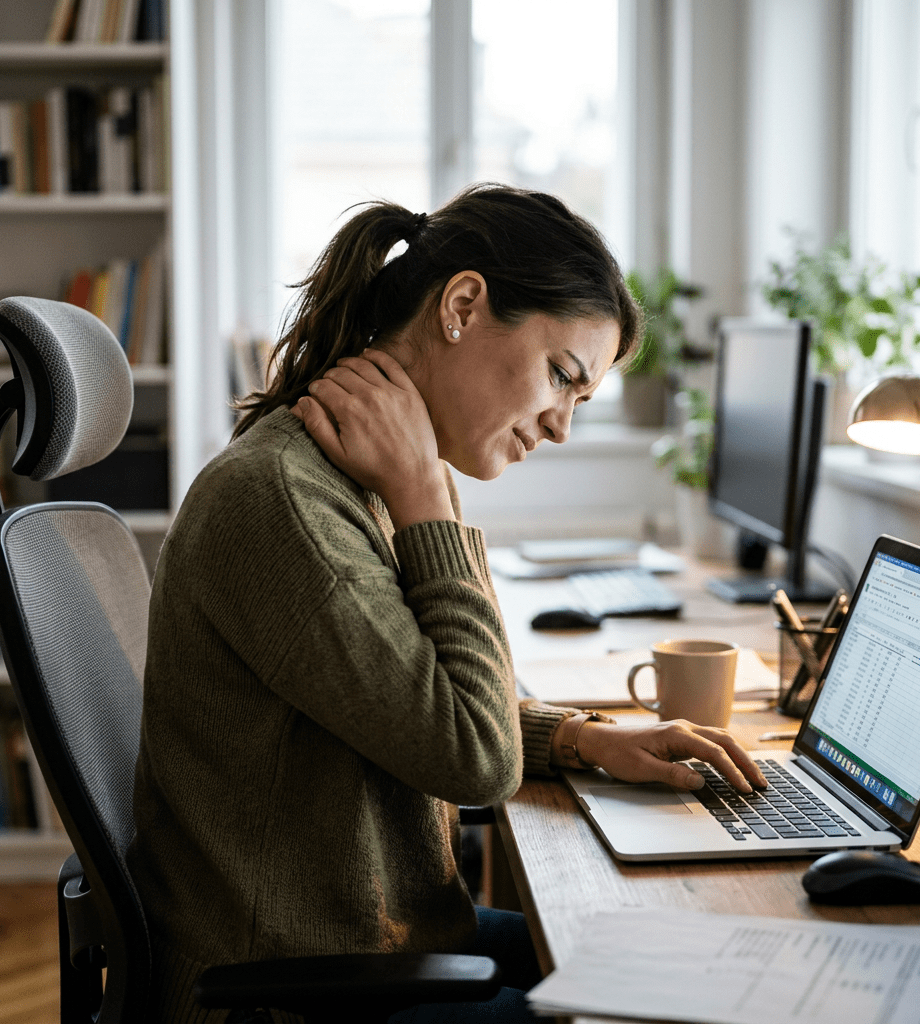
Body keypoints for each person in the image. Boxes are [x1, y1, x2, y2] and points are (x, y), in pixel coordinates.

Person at [127, 183, 767, 1023]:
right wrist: (428, 498)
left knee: (686, 960)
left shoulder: (357, 474)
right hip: (295, 990)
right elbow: (475, 758)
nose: (560, 425)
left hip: (376, 942)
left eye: (580, 402)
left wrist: (582, 737)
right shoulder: (287, 498)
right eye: (561, 378)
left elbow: (413, 694)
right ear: (463, 305)